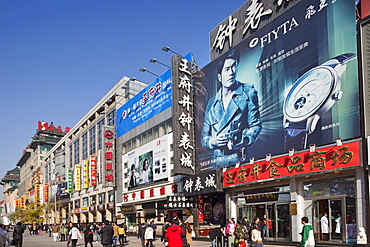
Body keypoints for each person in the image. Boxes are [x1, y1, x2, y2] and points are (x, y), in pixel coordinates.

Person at [201, 48, 262, 167]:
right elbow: (204, 138)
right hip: (217, 162)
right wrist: (213, 141)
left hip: (241, 158)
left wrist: (243, 140)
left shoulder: (248, 93)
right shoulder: (212, 105)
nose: (231, 72)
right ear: (219, 76)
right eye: (227, 69)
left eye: (234, 66)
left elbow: (256, 125)